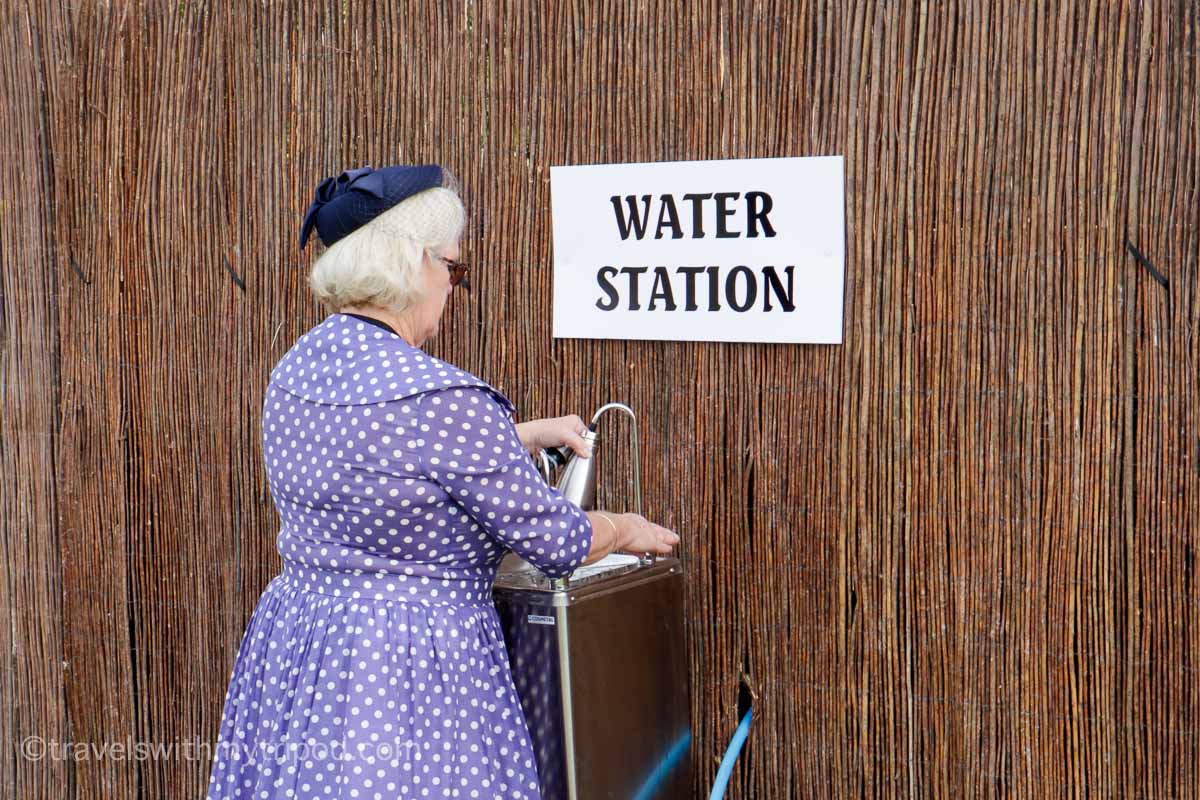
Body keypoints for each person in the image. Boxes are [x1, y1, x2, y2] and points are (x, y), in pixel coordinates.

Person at [206, 164, 680, 799]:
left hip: (305, 651)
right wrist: (627, 528)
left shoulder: (297, 371)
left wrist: (518, 435)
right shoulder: (444, 401)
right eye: (455, 270)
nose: (453, 288)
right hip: (412, 671)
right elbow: (558, 544)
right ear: (414, 264)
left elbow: (377, 463)